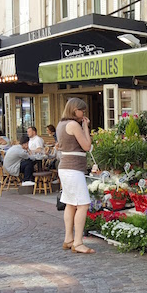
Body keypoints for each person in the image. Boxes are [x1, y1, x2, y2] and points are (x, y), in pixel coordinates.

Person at [57, 98, 94, 254]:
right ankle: (78, 242)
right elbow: (87, 146)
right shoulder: (73, 125)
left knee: (70, 203)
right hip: (73, 169)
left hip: (65, 167)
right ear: (74, 110)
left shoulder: (61, 124)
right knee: (83, 204)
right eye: (82, 110)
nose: (83, 113)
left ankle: (68, 238)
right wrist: (85, 126)